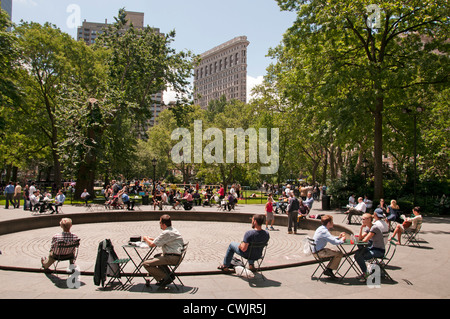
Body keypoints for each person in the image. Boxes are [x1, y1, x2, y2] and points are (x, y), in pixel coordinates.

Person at [142, 214, 184, 287]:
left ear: (163, 224)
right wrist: (151, 238)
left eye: (160, 223)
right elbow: (161, 239)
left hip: (172, 257)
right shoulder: (172, 230)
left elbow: (152, 244)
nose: (160, 224)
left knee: (146, 264)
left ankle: (165, 277)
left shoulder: (166, 232)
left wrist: (146, 239)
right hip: (176, 256)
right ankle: (169, 275)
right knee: (157, 256)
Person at [354, 212, 387, 282]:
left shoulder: (374, 228)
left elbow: (365, 240)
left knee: (358, 255)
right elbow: (360, 238)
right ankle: (365, 273)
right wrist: (361, 229)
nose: (362, 221)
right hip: (372, 248)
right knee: (357, 254)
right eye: (362, 219)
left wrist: (360, 239)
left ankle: (365, 273)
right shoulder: (368, 228)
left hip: (379, 251)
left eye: (364, 219)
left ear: (369, 220)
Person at [312, 215, 346, 279]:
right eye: (332, 222)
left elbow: (330, 238)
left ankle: (329, 269)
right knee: (339, 253)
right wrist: (342, 240)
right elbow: (334, 242)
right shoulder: (324, 231)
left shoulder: (321, 228)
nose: (333, 223)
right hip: (319, 252)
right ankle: (329, 270)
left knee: (336, 252)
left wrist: (338, 237)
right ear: (328, 223)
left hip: (317, 250)